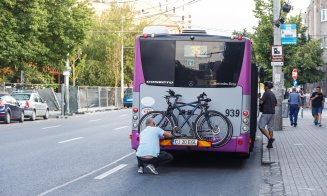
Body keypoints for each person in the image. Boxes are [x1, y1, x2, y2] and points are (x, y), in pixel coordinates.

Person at [258, 81, 277, 148]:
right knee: (270, 128)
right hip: (272, 113)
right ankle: (270, 145)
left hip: (266, 113)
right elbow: (276, 103)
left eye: (264, 86)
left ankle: (270, 139)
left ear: (266, 87)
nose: (264, 87)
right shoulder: (272, 94)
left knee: (261, 126)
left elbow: (261, 102)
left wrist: (259, 99)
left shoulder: (266, 93)